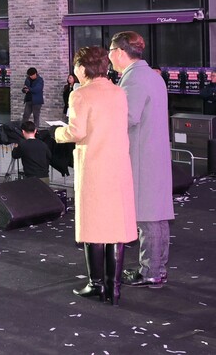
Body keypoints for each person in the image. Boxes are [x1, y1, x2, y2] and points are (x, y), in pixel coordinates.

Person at [54, 46, 136, 304]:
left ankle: (96, 284)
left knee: (93, 228)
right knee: (114, 228)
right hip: (118, 166)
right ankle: (115, 287)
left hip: (94, 167)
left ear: (81, 68)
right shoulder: (119, 92)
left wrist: (57, 133)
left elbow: (76, 132)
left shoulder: (81, 95)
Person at [109, 30, 175, 290]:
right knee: (157, 217)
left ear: (120, 52)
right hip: (155, 154)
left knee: (147, 218)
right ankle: (158, 269)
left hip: (142, 158)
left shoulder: (133, 79)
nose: (109, 57)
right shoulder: (152, 76)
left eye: (111, 51)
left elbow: (128, 118)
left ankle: (151, 271)